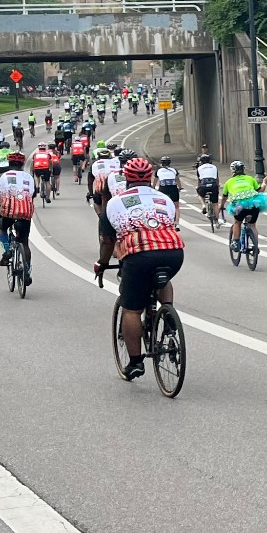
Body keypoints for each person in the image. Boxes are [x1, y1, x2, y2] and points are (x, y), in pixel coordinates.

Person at [96, 157, 186, 381]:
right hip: (174, 253)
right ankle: (168, 316)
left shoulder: (115, 203)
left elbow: (107, 241)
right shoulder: (164, 198)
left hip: (139, 255)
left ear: (125, 178)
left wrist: (103, 263)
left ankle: (135, 362)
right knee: (162, 277)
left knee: (132, 310)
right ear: (150, 178)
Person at [0, 151, 36, 278]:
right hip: (25, 211)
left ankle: (7, 250)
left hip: (8, 211)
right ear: (22, 164)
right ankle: (27, 271)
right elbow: (33, 194)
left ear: (9, 163)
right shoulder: (29, 177)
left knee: (2, 228)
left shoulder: (1, 177)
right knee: (24, 242)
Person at [218, 161, 267, 243]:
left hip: (239, 206)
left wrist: (221, 206)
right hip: (254, 204)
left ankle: (235, 241)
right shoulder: (250, 178)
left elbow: (224, 197)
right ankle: (255, 243)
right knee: (252, 225)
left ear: (232, 170)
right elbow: (261, 190)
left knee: (237, 222)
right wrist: (264, 182)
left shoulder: (228, 182)